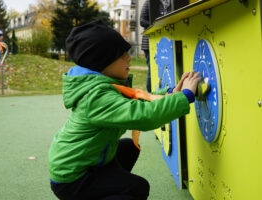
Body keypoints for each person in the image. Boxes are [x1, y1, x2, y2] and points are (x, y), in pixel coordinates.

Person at [48, 20, 201, 200]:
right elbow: (144, 115)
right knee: (137, 188)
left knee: (128, 147)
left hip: (89, 162)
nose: (129, 58)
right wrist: (186, 96)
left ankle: (107, 188)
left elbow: (140, 98)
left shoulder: (102, 86)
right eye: (122, 55)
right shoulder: (96, 97)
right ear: (101, 63)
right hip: (73, 178)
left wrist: (172, 93)